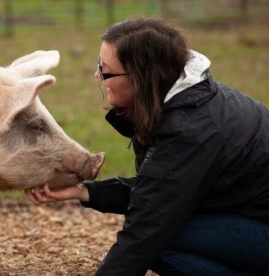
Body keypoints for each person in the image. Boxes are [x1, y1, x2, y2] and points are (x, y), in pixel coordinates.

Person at [25, 18, 269, 275]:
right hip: (251, 217)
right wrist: (83, 192)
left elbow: (149, 226)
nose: (98, 74)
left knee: (161, 241)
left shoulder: (190, 129)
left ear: (141, 78)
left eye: (106, 69)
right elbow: (164, 189)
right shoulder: (183, 102)